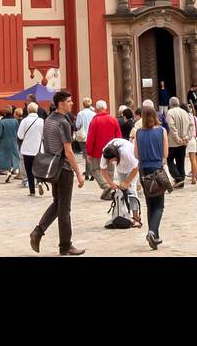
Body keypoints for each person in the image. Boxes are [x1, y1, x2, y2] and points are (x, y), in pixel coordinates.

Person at [29, 89, 84, 256]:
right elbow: (68, 151)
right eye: (69, 101)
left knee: (57, 203)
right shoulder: (63, 123)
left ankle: (38, 231)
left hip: (52, 167)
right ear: (61, 104)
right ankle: (65, 246)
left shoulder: (49, 120)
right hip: (64, 169)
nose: (72, 103)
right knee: (64, 208)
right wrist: (79, 173)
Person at [133, 103, 169, 250]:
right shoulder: (161, 131)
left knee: (150, 205)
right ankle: (152, 232)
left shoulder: (138, 133)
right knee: (159, 205)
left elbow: (136, 154)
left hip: (144, 171)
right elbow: (165, 154)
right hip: (157, 170)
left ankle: (155, 236)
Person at [101, 138, 141, 227]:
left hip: (132, 168)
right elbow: (103, 169)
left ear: (116, 155)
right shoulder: (105, 152)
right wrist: (111, 184)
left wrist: (127, 182)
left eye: (111, 160)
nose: (109, 162)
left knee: (131, 191)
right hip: (120, 169)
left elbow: (136, 167)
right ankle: (124, 215)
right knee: (121, 192)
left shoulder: (125, 152)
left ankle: (136, 218)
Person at [86, 101, 121, 197]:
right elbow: (118, 136)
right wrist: (118, 150)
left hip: (97, 150)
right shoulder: (113, 119)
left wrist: (88, 152)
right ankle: (109, 189)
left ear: (97, 109)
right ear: (106, 108)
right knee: (110, 170)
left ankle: (105, 186)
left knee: (95, 169)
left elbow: (90, 138)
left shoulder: (95, 121)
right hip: (111, 150)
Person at [164, 97, 193, 187]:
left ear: (170, 104)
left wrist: (177, 139)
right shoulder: (185, 112)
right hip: (184, 141)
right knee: (181, 161)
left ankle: (178, 178)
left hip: (173, 143)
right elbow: (191, 126)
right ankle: (181, 180)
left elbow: (171, 127)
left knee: (169, 160)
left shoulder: (170, 112)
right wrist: (188, 137)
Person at [18, 102, 45, 196]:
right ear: (37, 110)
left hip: (27, 149)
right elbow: (44, 135)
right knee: (38, 169)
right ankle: (40, 181)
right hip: (38, 149)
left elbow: (20, 136)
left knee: (29, 171)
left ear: (28, 110)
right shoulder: (41, 121)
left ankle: (32, 191)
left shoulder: (24, 121)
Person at [0, 106, 21, 182]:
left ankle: (7, 171)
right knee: (13, 156)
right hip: (13, 141)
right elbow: (18, 131)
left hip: (3, 142)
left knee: (3, 158)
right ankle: (14, 169)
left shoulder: (2, 122)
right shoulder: (15, 121)